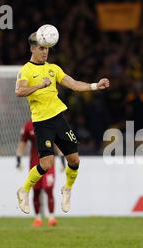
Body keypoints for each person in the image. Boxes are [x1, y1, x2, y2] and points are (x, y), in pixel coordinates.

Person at [15, 32, 110, 214]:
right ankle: (24, 190)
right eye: (42, 48)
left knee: (74, 160)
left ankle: (67, 189)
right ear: (32, 48)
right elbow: (19, 92)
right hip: (42, 122)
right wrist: (39, 86)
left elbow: (73, 84)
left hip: (58, 118)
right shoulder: (25, 70)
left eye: (47, 49)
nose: (45, 52)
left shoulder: (53, 69)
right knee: (46, 163)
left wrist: (95, 85)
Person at [16, 120, 66, 227]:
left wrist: (62, 158)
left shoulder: (49, 122)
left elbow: (56, 142)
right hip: (34, 163)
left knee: (49, 189)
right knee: (36, 190)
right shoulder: (28, 126)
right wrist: (18, 158)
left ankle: (51, 218)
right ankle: (37, 218)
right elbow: (22, 142)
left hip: (49, 162)